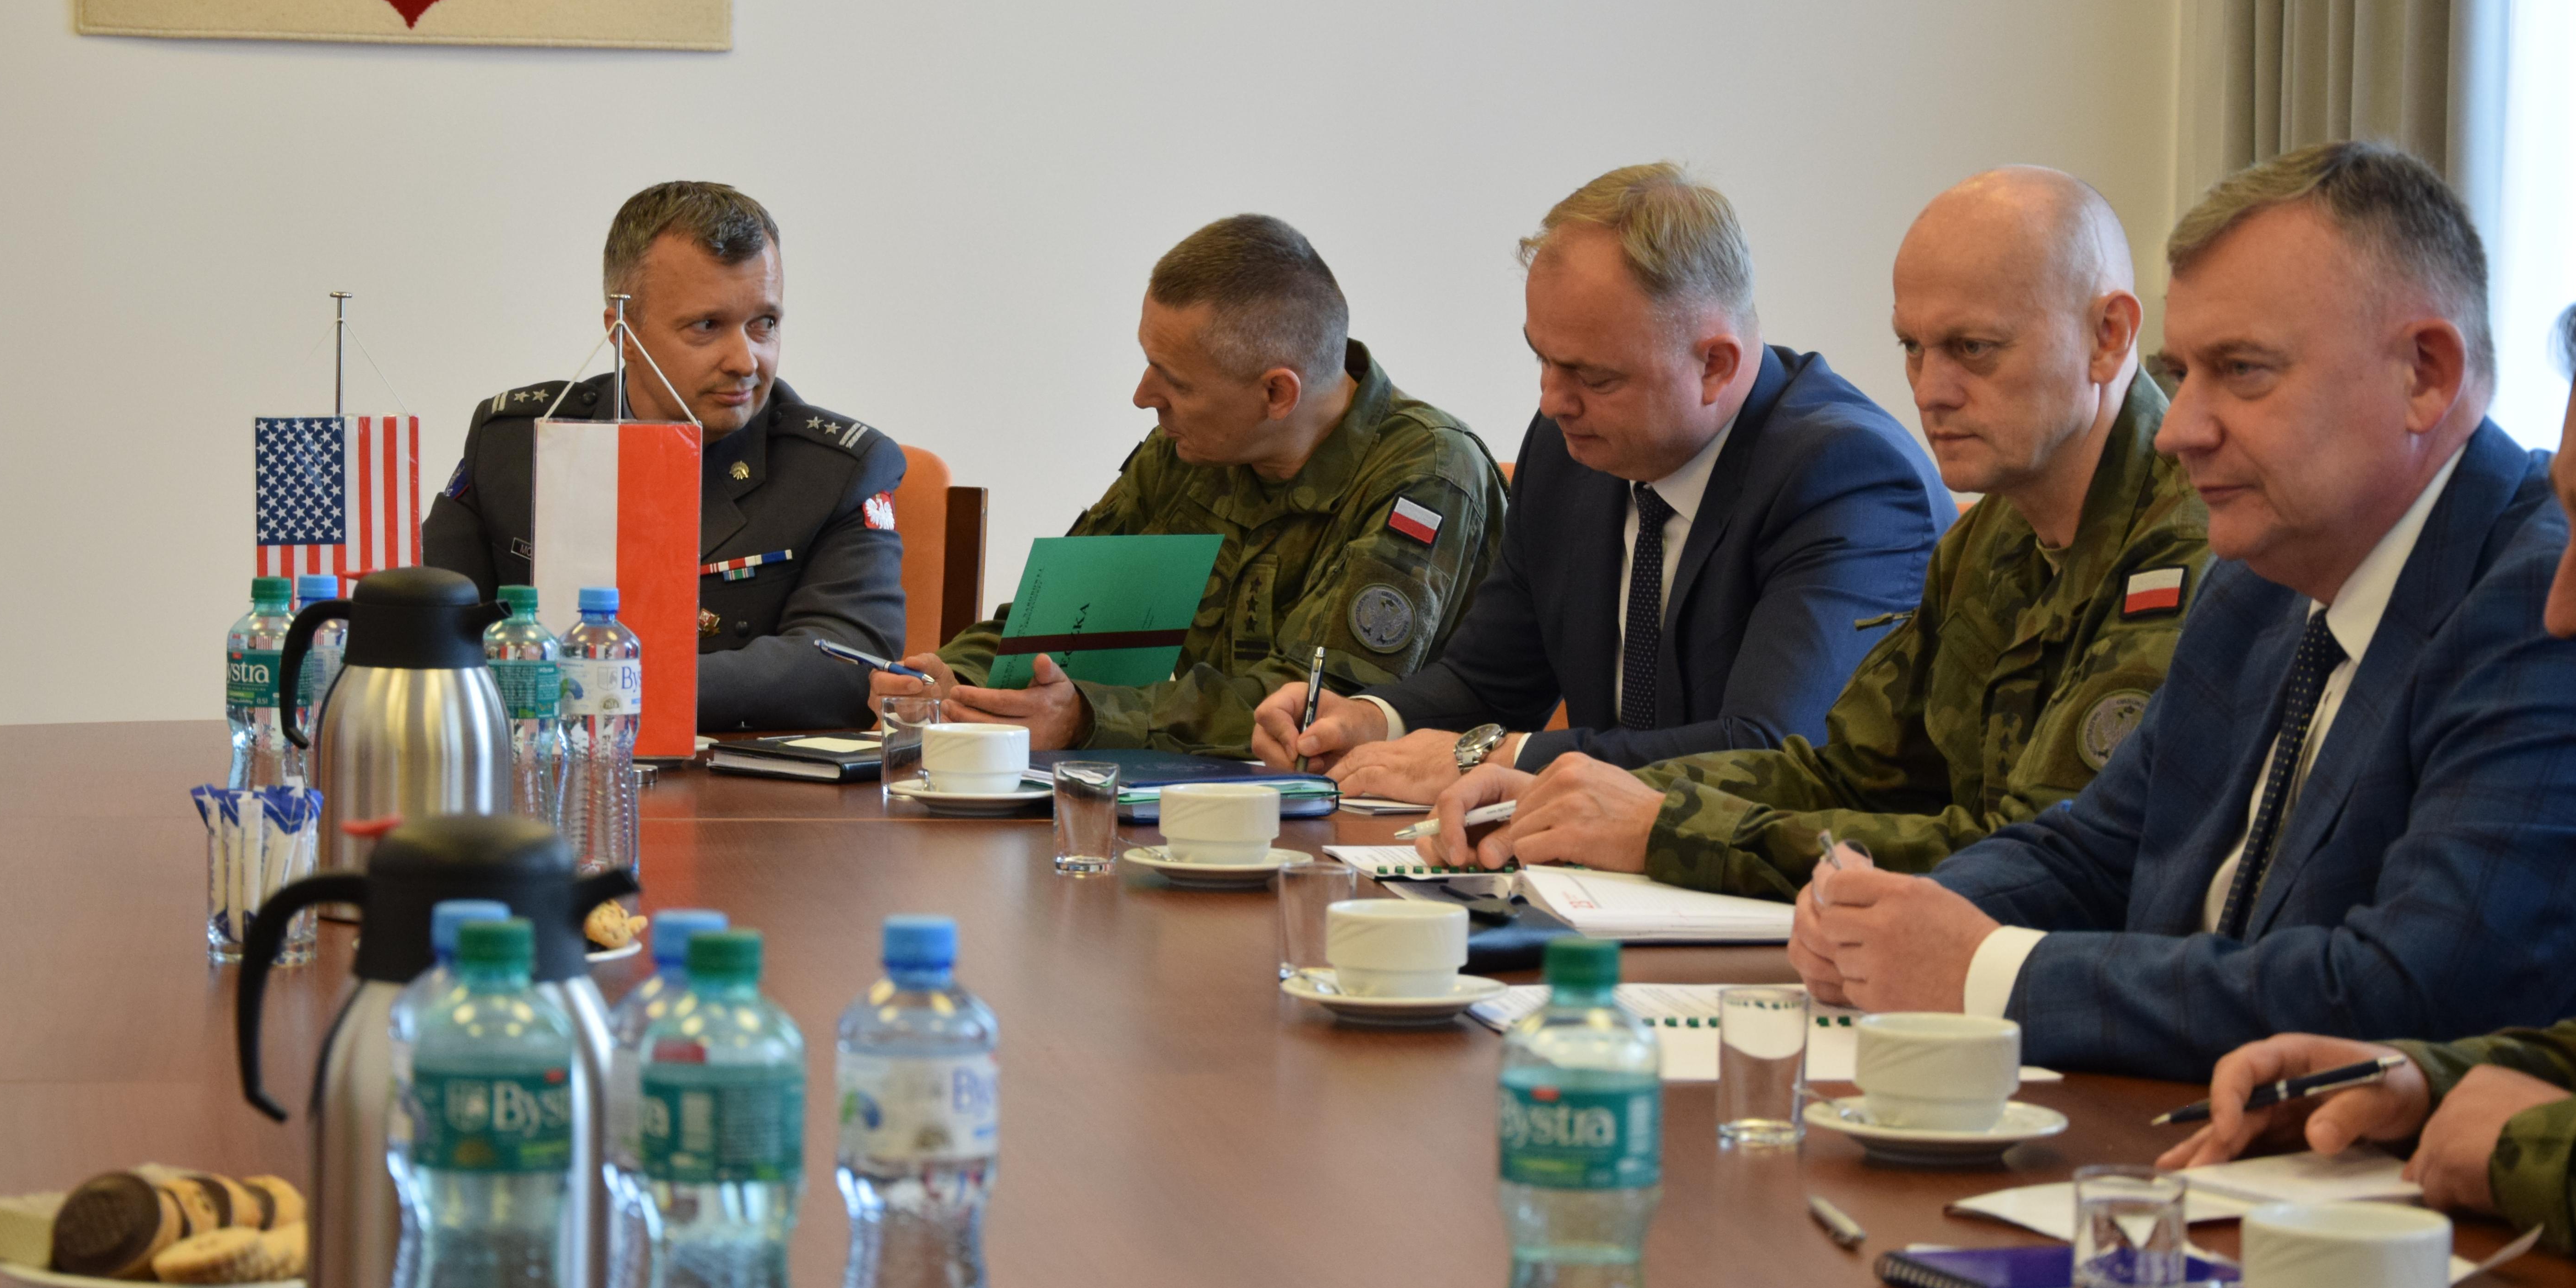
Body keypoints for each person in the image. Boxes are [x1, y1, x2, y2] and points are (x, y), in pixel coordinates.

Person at [1786, 143, 2576, 1079]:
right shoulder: (2258, 581)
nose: (2178, 429)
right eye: (2182, 374)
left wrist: (1989, 974)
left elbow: (2409, 991)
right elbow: (2096, 850)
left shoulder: (2549, 607)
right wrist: (1892, 917)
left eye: (2241, 371)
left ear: (2424, 373)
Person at [1419, 166, 2208, 893]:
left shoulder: (2192, 544)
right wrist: (1576, 792)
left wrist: (1666, 828)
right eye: (1913, 347)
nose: (1931, 390)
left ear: (2109, 337)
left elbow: (2042, 860)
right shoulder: (1994, 538)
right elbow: (1848, 774)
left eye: (1974, 349)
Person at [2159, 252, 2576, 1280]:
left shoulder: (2505, 608)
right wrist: (2420, 1080)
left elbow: (2416, 974)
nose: (2568, 607)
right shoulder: (2257, 592)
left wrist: (2534, 1146)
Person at [1250, 162, 1954, 804]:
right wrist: (1372, 720)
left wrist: (1495, 759)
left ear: (1714, 365)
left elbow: (1767, 753)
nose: (1552, 400)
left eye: (1594, 376)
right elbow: (1491, 679)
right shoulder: (1570, 451)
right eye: (1543, 359)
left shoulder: (1848, 477)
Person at [867, 215, 1506, 754]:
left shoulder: (1427, 477)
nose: (1143, 396)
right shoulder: (1192, 449)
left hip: (1372, 824)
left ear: (1276, 393)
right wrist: (952, 679)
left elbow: (1311, 707)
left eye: (1173, 380)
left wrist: (1090, 718)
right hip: (1208, 802)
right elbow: (1059, 626)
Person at [422, 181, 909, 733]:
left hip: (732, 781)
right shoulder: (517, 443)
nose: (745, 360)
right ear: (623, 333)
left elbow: (845, 664)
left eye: (765, 324)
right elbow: (434, 625)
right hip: (535, 770)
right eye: (707, 326)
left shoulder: (838, 472)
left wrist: (603, 686)